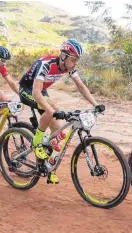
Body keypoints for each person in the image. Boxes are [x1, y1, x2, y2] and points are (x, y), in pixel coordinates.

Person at [18, 39, 105, 184]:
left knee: (58, 135)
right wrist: (51, 110)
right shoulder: (45, 64)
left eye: (77, 60)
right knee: (52, 109)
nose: (75, 63)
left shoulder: (68, 67)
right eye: (73, 59)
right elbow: (36, 92)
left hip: (41, 90)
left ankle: (48, 168)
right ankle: (37, 142)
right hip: (28, 90)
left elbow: (81, 86)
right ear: (63, 56)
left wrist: (96, 104)